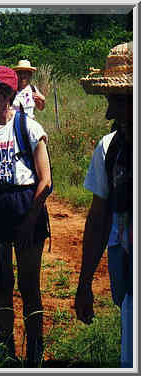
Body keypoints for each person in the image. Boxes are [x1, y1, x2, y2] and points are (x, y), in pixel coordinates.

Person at [0, 66, 52, 366]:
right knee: (2, 283)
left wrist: (31, 219)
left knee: (29, 284)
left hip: (25, 205)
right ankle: (7, 355)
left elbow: (46, 180)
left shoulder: (29, 127)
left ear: (8, 95)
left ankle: (35, 355)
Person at [75, 41, 133, 368]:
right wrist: (84, 284)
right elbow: (98, 220)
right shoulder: (111, 147)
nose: (110, 113)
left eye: (118, 101)